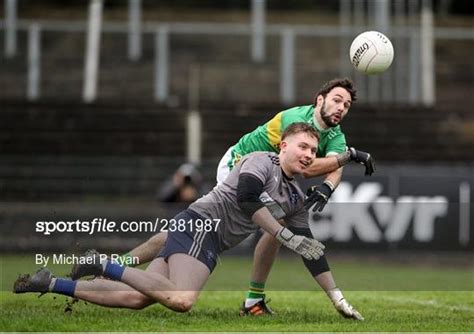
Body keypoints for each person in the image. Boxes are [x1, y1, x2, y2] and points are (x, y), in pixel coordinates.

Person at [117, 78, 373, 320]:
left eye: (347, 105)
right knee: (214, 227)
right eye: (336, 100)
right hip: (239, 164)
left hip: (266, 176)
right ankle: (253, 300)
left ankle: (119, 264)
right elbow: (308, 167)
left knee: (207, 229)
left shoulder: (335, 134)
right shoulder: (295, 119)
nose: (341, 107)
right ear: (319, 100)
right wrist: (347, 157)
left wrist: (328, 187)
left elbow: (334, 166)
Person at [14, 123, 328, 314]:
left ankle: (51, 282)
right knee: (181, 299)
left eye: (314, 150)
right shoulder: (260, 161)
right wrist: (288, 237)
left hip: (201, 233)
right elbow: (247, 201)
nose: (309, 154)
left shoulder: (296, 196)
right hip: (201, 227)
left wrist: (338, 298)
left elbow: (308, 243)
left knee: (136, 297)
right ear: (283, 145)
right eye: (303, 146)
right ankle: (103, 264)